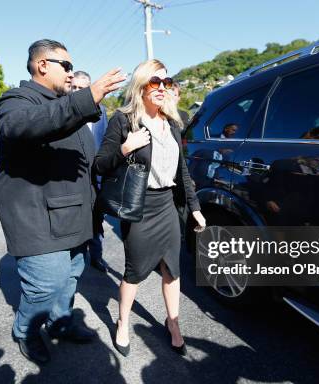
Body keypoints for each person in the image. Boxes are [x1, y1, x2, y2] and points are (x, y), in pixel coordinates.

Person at [0, 39, 125, 365]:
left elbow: (90, 161)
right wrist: (87, 97)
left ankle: (60, 322)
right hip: (36, 218)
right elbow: (21, 126)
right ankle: (25, 330)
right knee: (44, 286)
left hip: (75, 218)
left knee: (69, 279)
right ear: (42, 65)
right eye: (65, 66)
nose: (70, 72)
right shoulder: (17, 100)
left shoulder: (67, 106)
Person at [94, 59, 206, 357]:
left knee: (172, 269)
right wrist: (125, 148)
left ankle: (174, 324)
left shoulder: (171, 122)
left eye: (166, 83)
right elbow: (101, 164)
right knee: (134, 272)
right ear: (141, 86)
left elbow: (182, 171)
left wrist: (194, 207)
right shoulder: (124, 120)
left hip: (167, 205)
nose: (161, 89)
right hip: (139, 208)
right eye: (154, 83)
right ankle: (122, 322)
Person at [71, 70, 109, 273]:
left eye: (82, 88)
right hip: (72, 178)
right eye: (74, 87)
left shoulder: (101, 112)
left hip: (96, 178)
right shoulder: (64, 110)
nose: (77, 91)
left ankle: (96, 256)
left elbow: (105, 142)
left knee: (96, 220)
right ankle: (76, 260)